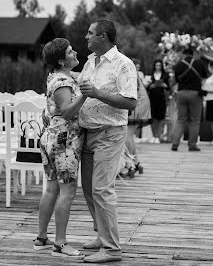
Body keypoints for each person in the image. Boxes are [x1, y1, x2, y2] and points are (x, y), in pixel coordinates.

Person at [78, 19, 137, 263]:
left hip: (109, 134)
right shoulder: (90, 61)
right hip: (87, 133)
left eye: (90, 33)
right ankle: (101, 235)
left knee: (102, 190)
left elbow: (131, 102)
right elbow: (81, 87)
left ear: (103, 37)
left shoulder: (123, 64)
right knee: (90, 191)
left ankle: (112, 249)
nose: (86, 37)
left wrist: (98, 93)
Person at [34, 38, 86, 259]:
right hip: (64, 141)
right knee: (67, 191)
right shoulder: (63, 83)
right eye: (70, 52)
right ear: (61, 60)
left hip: (51, 138)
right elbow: (67, 111)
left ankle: (41, 237)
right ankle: (60, 243)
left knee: (51, 189)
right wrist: (86, 94)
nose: (75, 53)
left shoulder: (56, 76)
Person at [171, 47, 208, 151]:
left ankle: (175, 144)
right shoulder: (199, 63)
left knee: (180, 119)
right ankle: (192, 145)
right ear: (193, 54)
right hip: (195, 94)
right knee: (194, 120)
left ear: (183, 54)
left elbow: (175, 80)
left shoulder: (179, 64)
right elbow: (205, 77)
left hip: (181, 93)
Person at [121, 57, 151, 178]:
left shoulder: (128, 71)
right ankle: (136, 162)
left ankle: (131, 165)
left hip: (137, 103)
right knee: (130, 136)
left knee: (127, 135)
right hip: (140, 101)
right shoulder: (132, 71)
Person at [147, 59, 169, 143]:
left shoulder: (165, 75)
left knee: (161, 117)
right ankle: (154, 135)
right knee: (153, 117)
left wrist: (164, 85)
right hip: (152, 98)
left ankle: (158, 136)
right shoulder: (151, 75)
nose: (158, 67)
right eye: (157, 65)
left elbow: (168, 87)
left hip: (161, 98)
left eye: (160, 65)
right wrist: (151, 85)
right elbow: (147, 87)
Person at [203, 61, 213, 145]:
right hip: (209, 99)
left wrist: (206, 91)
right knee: (212, 120)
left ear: (211, 67)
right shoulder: (211, 77)